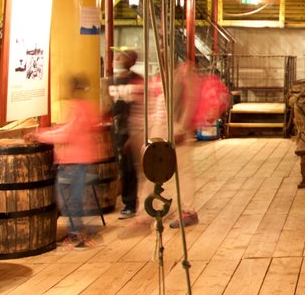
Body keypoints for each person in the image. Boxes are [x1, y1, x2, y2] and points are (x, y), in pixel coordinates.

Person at [35, 74, 103, 247]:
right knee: (73, 198)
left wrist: (39, 135)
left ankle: (77, 234)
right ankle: (77, 231)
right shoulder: (86, 107)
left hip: (74, 160)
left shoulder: (79, 108)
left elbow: (68, 134)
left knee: (69, 199)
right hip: (81, 159)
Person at [150, 59, 202, 228]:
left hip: (176, 127)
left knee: (182, 170)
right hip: (160, 127)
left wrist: (183, 127)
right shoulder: (162, 76)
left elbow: (192, 100)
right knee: (153, 169)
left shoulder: (184, 74)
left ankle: (188, 210)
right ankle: (150, 210)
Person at [108, 49, 145, 219]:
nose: (117, 58)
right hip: (119, 129)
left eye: (122, 56)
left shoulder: (137, 81)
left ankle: (131, 203)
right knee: (124, 167)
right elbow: (115, 106)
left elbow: (140, 108)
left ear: (131, 61)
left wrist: (135, 133)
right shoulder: (114, 80)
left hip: (133, 130)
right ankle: (130, 201)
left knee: (131, 167)